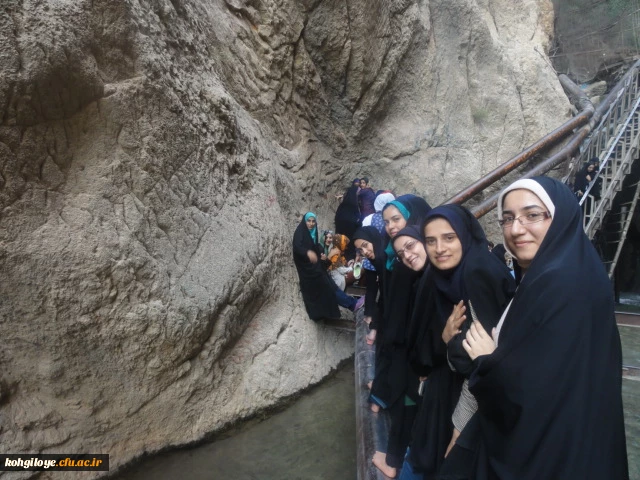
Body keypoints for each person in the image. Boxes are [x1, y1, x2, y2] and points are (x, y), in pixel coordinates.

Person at [463, 177, 628, 480]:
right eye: (508, 218)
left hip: (551, 456)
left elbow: (535, 392)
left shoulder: (561, 283)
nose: (516, 229)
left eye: (532, 215)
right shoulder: (568, 269)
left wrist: (487, 361)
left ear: (561, 216)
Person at [408, 204, 515, 479]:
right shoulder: (438, 278)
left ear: (464, 236)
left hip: (474, 402)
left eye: (449, 238)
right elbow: (421, 350)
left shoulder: (479, 273)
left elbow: (488, 360)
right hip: (445, 392)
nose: (439, 248)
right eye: (430, 241)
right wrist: (444, 338)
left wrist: (460, 428)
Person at [370, 194, 431, 478]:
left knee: (407, 401)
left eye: (396, 219)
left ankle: (393, 460)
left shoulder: (411, 261)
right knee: (406, 400)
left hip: (409, 347)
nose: (391, 226)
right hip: (404, 343)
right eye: (386, 222)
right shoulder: (399, 255)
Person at [292, 212, 340, 321]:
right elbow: (297, 247)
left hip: (314, 265)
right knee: (318, 287)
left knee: (327, 286)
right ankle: (318, 314)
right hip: (305, 267)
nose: (311, 223)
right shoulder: (300, 232)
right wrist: (307, 252)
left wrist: (321, 257)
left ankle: (327, 314)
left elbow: (315, 249)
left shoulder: (314, 233)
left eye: (313, 221)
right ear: (304, 221)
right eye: (308, 221)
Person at [335, 179, 361, 259]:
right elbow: (358, 223)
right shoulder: (355, 209)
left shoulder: (341, 207)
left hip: (340, 244)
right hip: (351, 247)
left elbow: (336, 219)